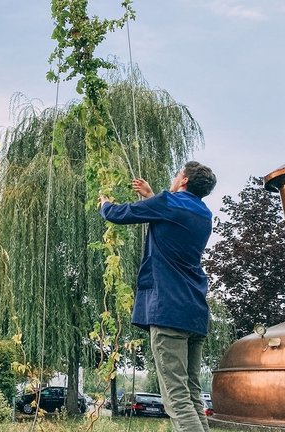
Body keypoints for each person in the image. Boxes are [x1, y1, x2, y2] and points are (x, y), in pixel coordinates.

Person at [99, 161, 216, 432]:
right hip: (194, 311)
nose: (174, 178)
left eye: (177, 174)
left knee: (175, 397)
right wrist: (151, 197)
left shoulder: (169, 203)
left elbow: (118, 214)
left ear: (184, 180)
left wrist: (104, 204)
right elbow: (170, 221)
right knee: (191, 393)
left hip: (169, 310)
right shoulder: (203, 213)